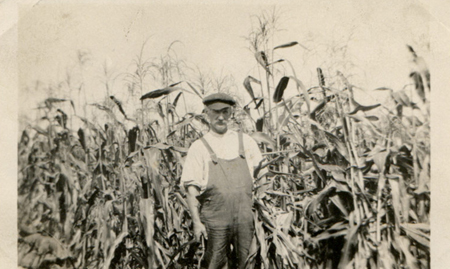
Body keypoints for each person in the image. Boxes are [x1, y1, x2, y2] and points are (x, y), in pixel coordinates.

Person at [181, 92, 264, 269]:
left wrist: (261, 205)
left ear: (231, 113)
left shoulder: (246, 141)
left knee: (248, 262)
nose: (220, 117)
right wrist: (196, 222)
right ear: (206, 114)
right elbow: (191, 190)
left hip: (244, 218)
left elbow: (262, 173)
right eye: (215, 112)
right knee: (215, 264)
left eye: (225, 112)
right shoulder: (199, 147)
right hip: (215, 219)